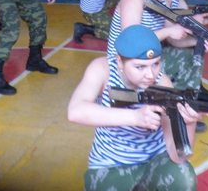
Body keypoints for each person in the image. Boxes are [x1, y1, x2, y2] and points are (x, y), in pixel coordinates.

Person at [67, 25, 198, 191]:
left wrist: (189, 122)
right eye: (140, 67)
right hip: (111, 162)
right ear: (120, 62)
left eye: (155, 64)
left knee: (184, 180)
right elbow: (75, 111)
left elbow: (177, 156)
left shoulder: (161, 81)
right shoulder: (102, 69)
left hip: (155, 159)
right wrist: (135, 117)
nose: (150, 74)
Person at [109, 0, 208, 93]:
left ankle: (186, 92)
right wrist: (168, 31)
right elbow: (132, 41)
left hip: (146, 58)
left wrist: (200, 42)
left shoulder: (163, 2)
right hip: (124, 63)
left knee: (190, 54)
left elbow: (173, 40)